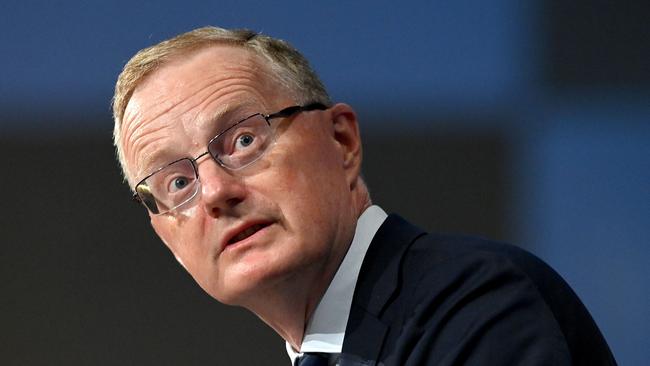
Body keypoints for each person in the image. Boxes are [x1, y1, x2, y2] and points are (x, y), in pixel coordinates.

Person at [112, 26, 616, 365]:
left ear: (342, 141)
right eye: (177, 183)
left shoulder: (468, 302)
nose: (217, 191)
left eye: (244, 140)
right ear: (166, 237)